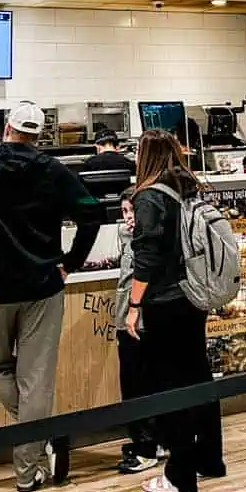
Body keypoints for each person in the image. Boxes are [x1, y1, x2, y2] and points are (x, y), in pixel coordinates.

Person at [0, 100, 104, 492]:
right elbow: (92, 212)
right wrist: (71, 262)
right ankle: (28, 470)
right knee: (36, 381)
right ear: (39, 135)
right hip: (42, 287)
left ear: (7, 127)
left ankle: (41, 442)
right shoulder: (53, 170)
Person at [125, 129, 225, 492]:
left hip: (165, 301)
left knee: (170, 386)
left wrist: (134, 306)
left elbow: (147, 256)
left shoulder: (149, 196)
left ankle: (180, 474)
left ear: (145, 157)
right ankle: (210, 459)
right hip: (194, 297)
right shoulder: (188, 189)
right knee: (198, 376)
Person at [112, 193, 161, 474]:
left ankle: (146, 448)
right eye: (124, 211)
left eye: (133, 210)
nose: (129, 217)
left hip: (139, 323)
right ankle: (151, 441)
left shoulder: (146, 244)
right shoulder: (128, 237)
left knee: (137, 385)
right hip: (128, 320)